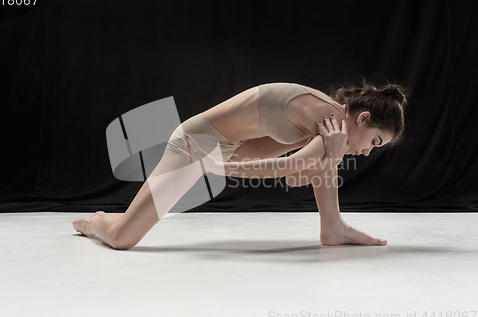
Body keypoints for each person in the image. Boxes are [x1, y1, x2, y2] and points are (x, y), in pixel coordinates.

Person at [73, 80, 407, 250]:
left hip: (228, 149)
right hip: (196, 144)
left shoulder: (332, 129)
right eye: (375, 142)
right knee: (122, 239)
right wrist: (217, 168)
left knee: (331, 154)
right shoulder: (329, 119)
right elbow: (284, 171)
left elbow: (295, 180)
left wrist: (332, 157)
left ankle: (332, 226)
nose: (366, 153)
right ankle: (97, 222)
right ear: (363, 118)